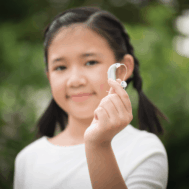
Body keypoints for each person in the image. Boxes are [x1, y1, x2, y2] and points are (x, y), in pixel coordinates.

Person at [13, 6, 170, 189]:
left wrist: (99, 146)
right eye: (60, 67)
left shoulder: (144, 149)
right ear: (49, 76)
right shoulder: (28, 159)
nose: (75, 80)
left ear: (121, 70)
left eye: (90, 62)